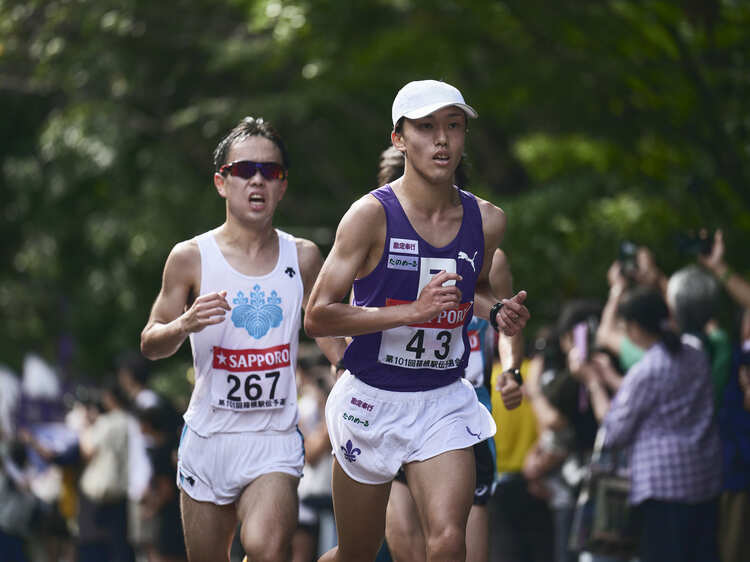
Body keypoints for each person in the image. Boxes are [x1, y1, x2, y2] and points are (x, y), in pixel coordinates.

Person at [305, 79, 529, 562]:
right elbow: (318, 316)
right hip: (371, 399)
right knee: (358, 553)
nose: (442, 139)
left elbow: (479, 291)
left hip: (442, 399)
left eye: (454, 126)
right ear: (399, 139)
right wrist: (412, 312)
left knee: (450, 541)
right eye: (426, 127)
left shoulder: (487, 220)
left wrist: (500, 312)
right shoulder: (369, 216)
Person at [140, 116, 345, 562]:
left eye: (271, 172)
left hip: (273, 437)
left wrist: (354, 372)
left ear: (283, 185)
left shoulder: (305, 256)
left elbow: (333, 340)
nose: (258, 180)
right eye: (244, 170)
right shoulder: (190, 258)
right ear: (221, 182)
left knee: (268, 550)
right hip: (209, 438)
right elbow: (151, 341)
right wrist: (184, 324)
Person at [374, 146, 524, 562]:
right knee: (405, 547)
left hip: (460, 409)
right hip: (392, 407)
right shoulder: (378, 245)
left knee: (457, 548)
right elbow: (345, 320)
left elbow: (507, 321)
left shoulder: (489, 255)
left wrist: (511, 370)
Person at [599, 287, 722, 562]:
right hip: (704, 477)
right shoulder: (696, 355)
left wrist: (596, 386)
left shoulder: (646, 370)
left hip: (661, 487)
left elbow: (615, 433)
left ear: (632, 328)